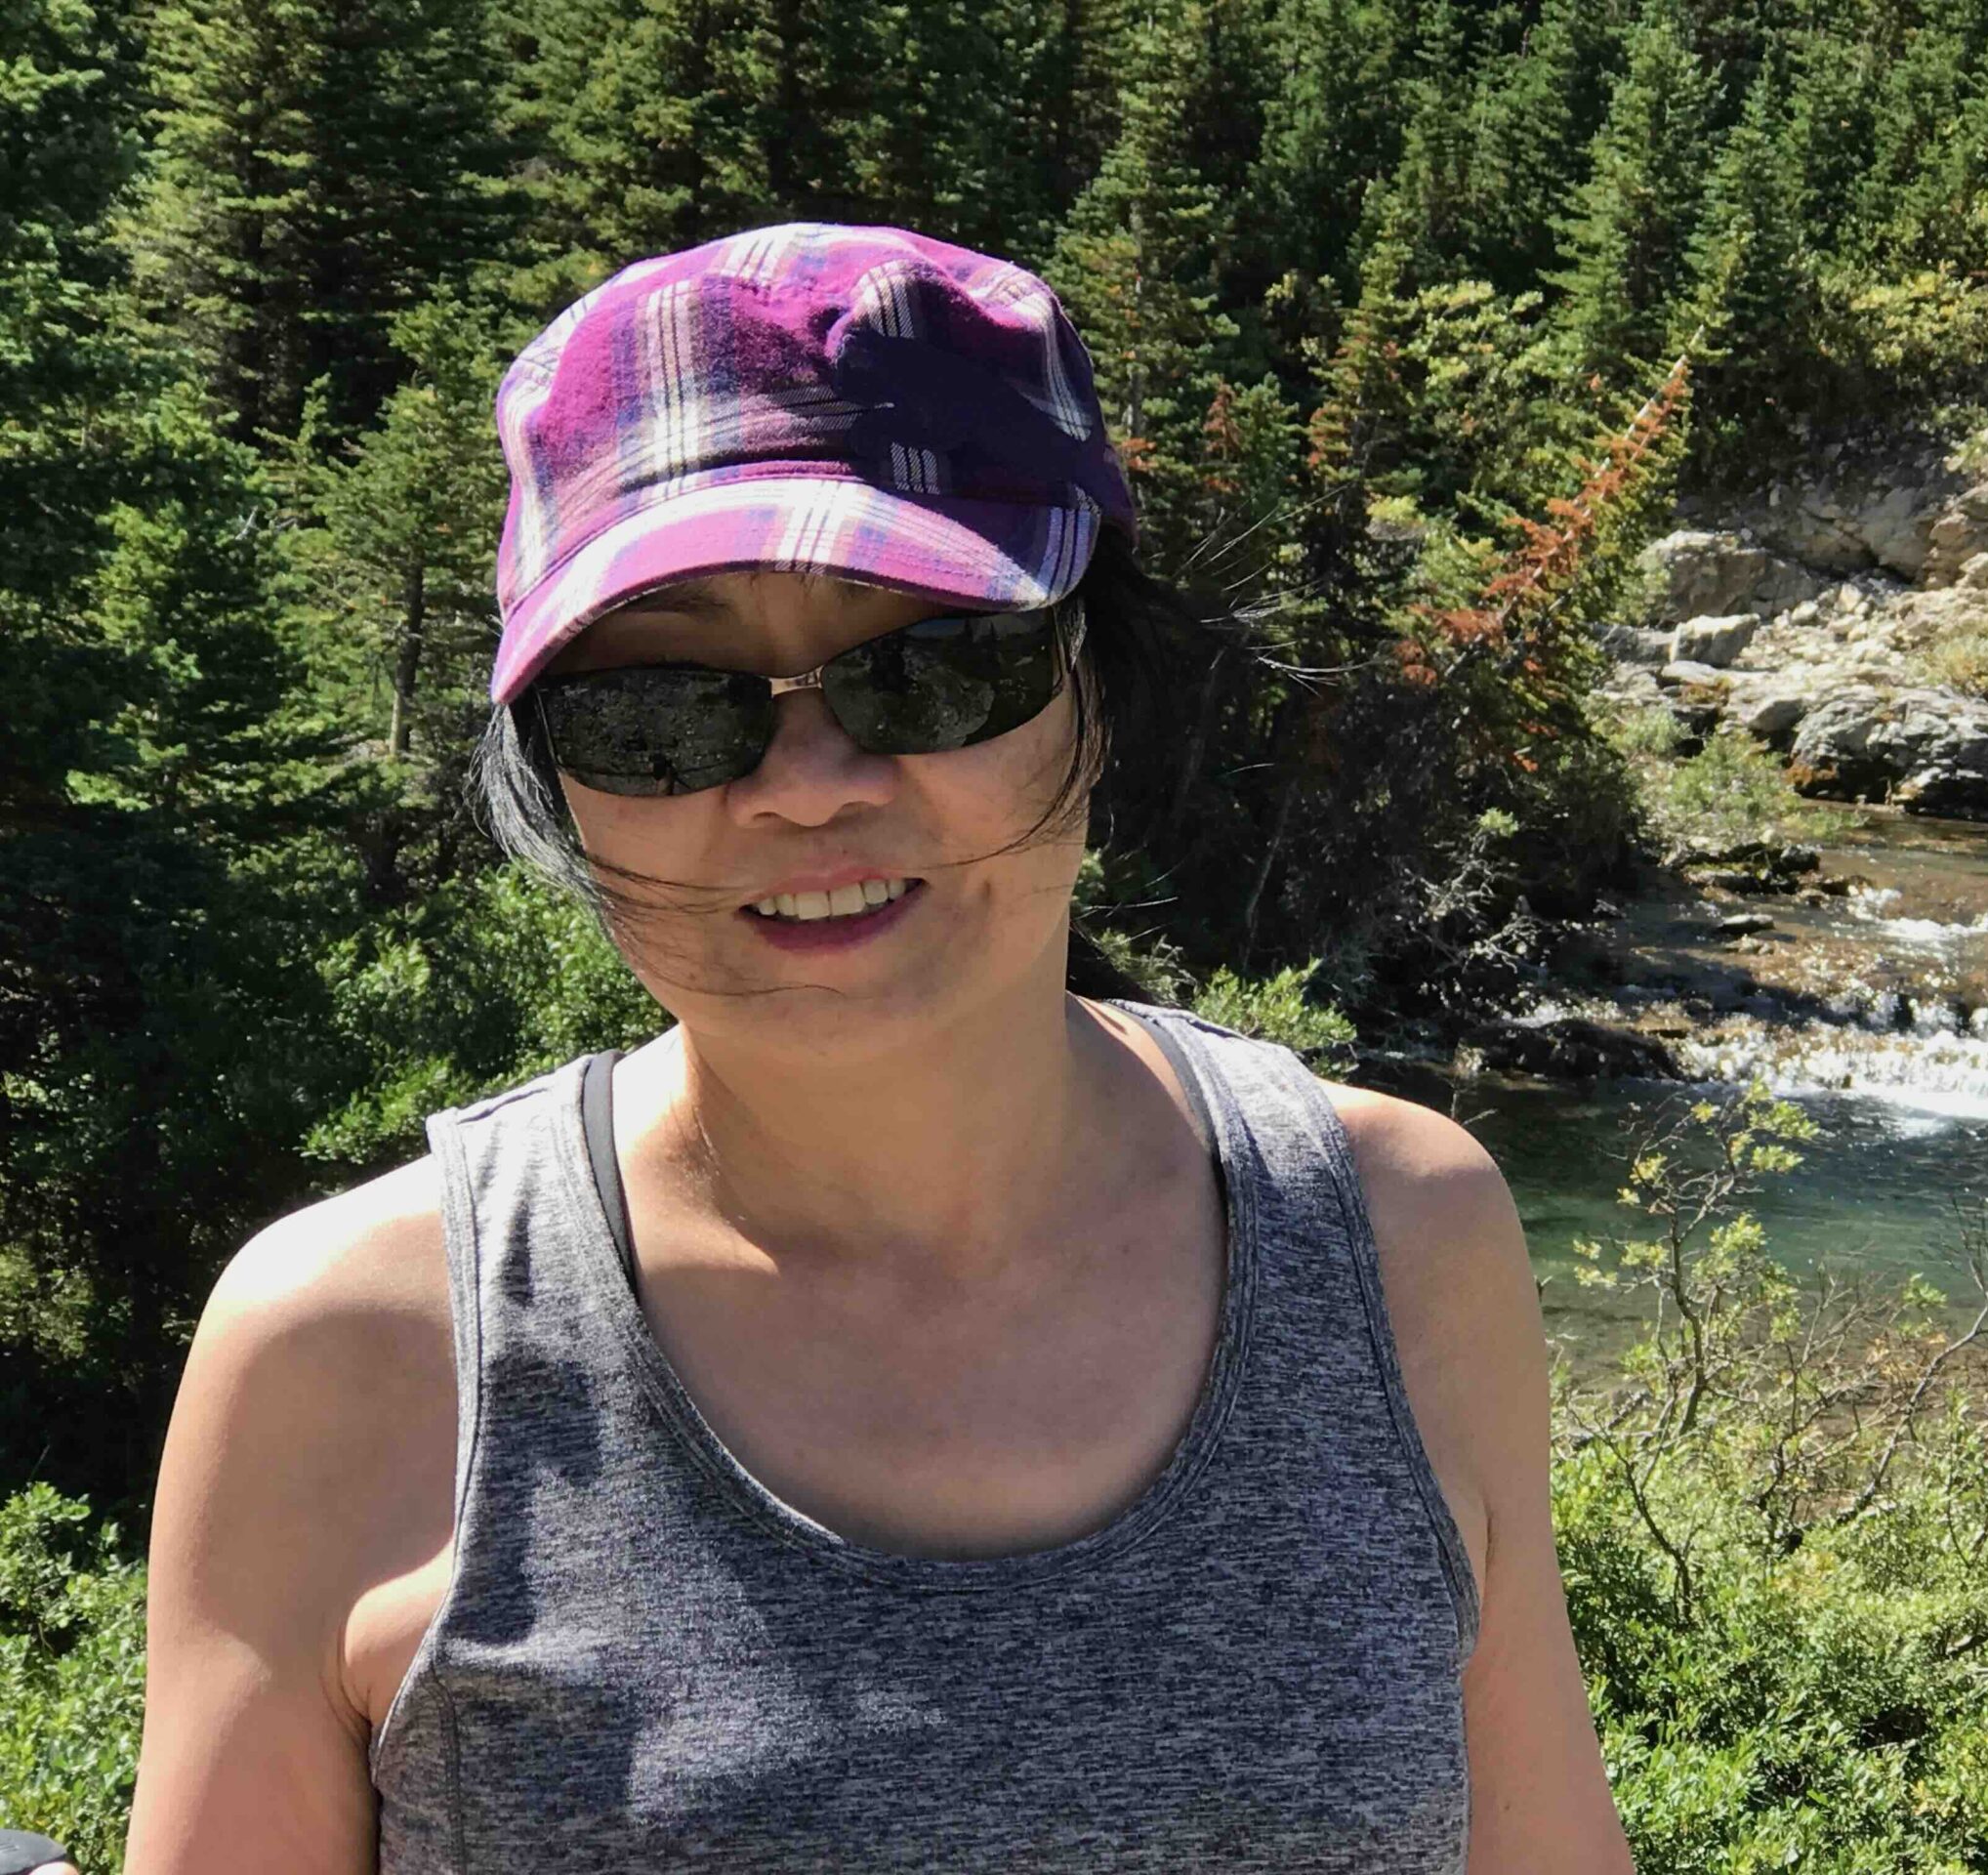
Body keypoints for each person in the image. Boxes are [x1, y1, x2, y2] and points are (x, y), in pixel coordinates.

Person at [117, 224, 1635, 1873]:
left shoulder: (1399, 1235)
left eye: (932, 669)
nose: (805, 783)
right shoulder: (351, 1349)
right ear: (556, 779)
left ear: (1094, 689)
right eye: (659, 711)